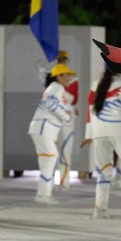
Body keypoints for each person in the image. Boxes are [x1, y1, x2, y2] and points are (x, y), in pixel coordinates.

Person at [28, 62, 76, 203]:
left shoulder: (54, 87)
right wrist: (66, 116)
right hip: (44, 128)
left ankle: (43, 194)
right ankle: (43, 195)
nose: (69, 78)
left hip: (42, 128)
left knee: (48, 160)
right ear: (59, 76)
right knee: (50, 158)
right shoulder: (56, 88)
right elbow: (52, 105)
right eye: (67, 75)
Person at [82, 71, 121, 218]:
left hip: (99, 132)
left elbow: (89, 112)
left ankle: (99, 209)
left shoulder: (96, 85)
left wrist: (89, 134)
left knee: (103, 172)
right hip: (119, 131)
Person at [46, 51, 79, 189]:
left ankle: (64, 181)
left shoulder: (73, 80)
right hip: (54, 118)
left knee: (66, 149)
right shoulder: (52, 78)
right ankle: (49, 181)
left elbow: (73, 98)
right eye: (60, 60)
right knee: (52, 150)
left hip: (67, 118)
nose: (62, 62)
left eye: (64, 60)